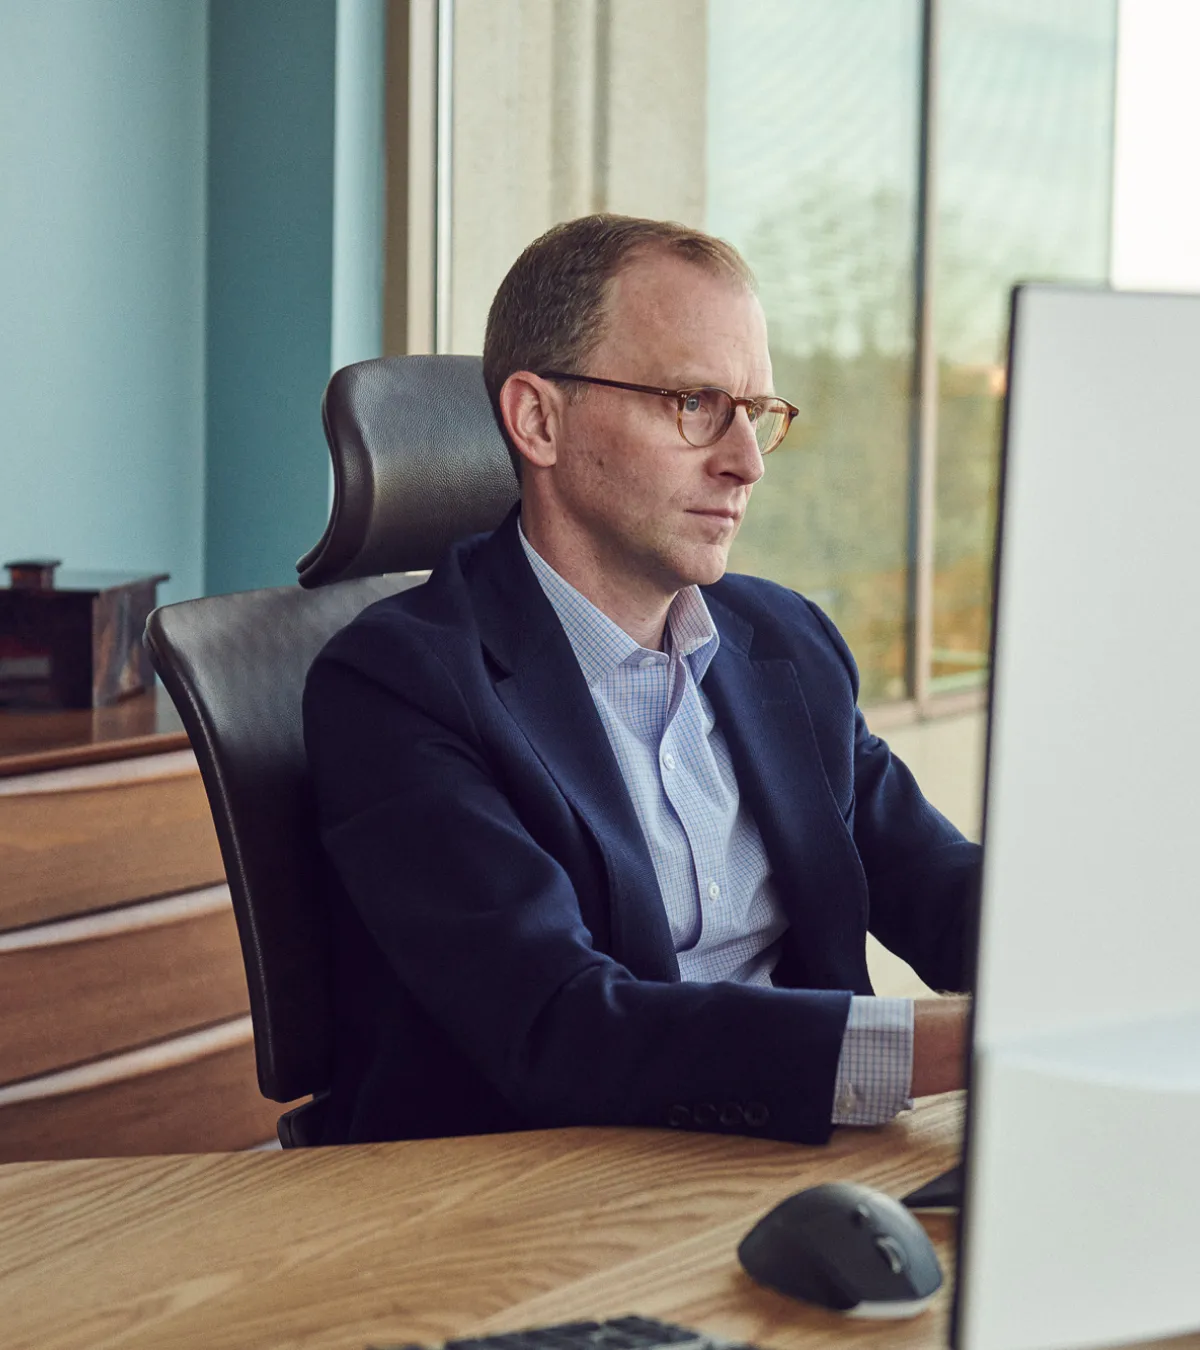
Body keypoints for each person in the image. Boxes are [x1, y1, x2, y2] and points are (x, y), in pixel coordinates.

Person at [304, 213, 979, 1147]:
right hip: (546, 1199)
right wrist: (968, 1046)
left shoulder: (786, 641)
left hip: (803, 1167)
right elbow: (562, 1028)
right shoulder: (398, 686)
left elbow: (941, 888)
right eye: (695, 403)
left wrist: (1113, 961)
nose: (745, 462)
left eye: (757, 413)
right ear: (539, 420)